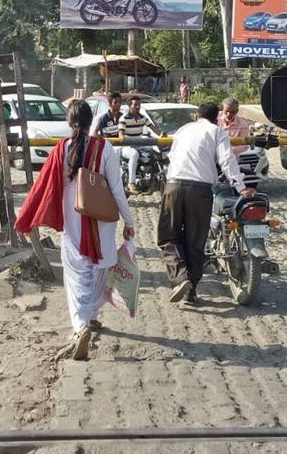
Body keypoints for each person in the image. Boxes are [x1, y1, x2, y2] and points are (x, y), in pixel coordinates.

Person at [15, 101, 134, 359]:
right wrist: (130, 221)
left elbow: (42, 189)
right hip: (102, 219)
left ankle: (81, 325)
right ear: (92, 121)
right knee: (100, 268)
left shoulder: (61, 148)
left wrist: (27, 220)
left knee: (77, 275)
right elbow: (117, 190)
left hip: (72, 221)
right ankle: (89, 318)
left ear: (70, 123)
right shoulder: (105, 148)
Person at [158, 101, 254, 306]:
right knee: (195, 242)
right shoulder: (217, 132)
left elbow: (172, 156)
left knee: (168, 237)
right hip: (200, 191)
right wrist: (240, 187)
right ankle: (190, 292)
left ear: (196, 116)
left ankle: (180, 279)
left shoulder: (183, 130)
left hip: (173, 186)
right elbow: (227, 160)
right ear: (215, 118)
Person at [119, 95, 159, 194]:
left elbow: (154, 128)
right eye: (135, 104)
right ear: (129, 106)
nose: (138, 107)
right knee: (134, 154)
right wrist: (122, 137)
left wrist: (163, 135)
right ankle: (131, 183)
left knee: (154, 152)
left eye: (139, 105)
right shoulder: (123, 118)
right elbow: (121, 132)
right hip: (126, 147)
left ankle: (153, 180)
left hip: (139, 145)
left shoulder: (143, 118)